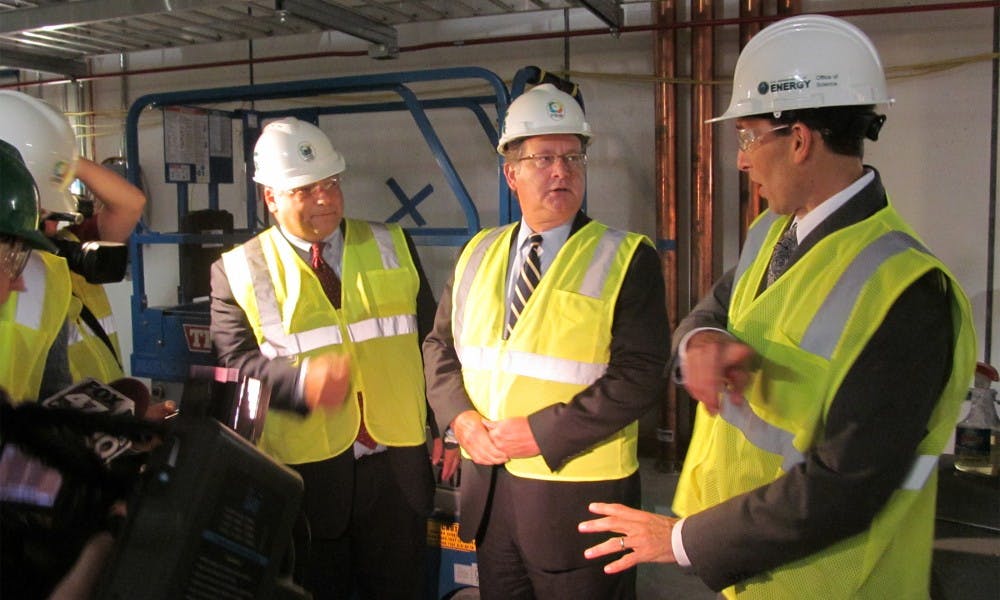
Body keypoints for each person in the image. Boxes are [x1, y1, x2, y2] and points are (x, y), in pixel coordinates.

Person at [578, 14, 977, 599]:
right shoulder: (773, 231)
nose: (741, 160)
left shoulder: (907, 291)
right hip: (755, 572)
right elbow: (709, 311)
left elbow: (846, 486)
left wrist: (684, 541)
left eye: (747, 138)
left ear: (798, 140)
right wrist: (701, 343)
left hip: (839, 583)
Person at [422, 83, 670, 599]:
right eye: (543, 158)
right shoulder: (477, 252)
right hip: (488, 500)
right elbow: (439, 349)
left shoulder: (626, 257)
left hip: (582, 510)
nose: (562, 171)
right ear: (511, 174)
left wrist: (538, 433)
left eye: (573, 156)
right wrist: (460, 421)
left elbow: (641, 375)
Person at [210, 116, 448, 600]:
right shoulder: (237, 270)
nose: (325, 199)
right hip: (310, 475)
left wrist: (445, 426)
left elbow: (432, 341)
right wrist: (301, 385)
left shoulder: (391, 244)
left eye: (332, 184)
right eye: (305, 189)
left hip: (397, 467)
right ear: (271, 197)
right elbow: (235, 365)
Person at [0, 90, 146, 398]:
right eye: (40, 217)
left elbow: (131, 204)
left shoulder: (70, 249)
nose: (52, 228)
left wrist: (62, 159)